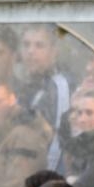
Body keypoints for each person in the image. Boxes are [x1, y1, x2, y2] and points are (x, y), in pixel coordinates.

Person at [16, 24, 71, 171]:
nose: (30, 51)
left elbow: (59, 139)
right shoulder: (23, 83)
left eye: (39, 45)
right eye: (26, 44)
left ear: (54, 52)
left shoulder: (59, 85)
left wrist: (46, 178)